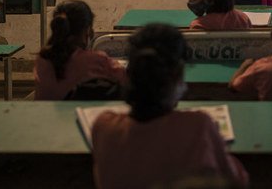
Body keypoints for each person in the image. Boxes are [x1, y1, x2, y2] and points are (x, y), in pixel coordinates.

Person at [91, 24, 249, 189]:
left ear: (130, 72)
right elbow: (237, 180)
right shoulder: (199, 126)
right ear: (177, 75)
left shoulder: (103, 126)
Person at [34, 0, 126, 100]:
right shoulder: (97, 60)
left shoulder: (42, 59)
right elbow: (127, 79)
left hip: (44, 110)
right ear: (87, 30)